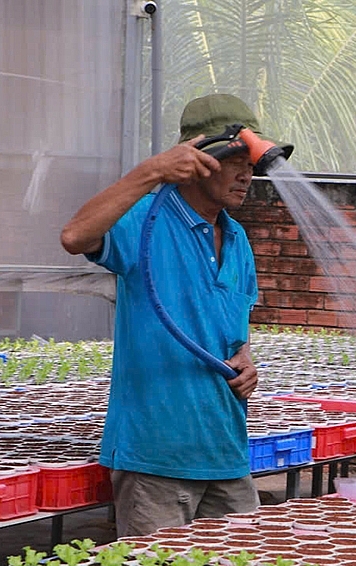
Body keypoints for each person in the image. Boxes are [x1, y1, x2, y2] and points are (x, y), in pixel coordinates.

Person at [60, 94, 271, 536]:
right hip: (157, 459)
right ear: (199, 159)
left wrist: (247, 363)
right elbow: (75, 235)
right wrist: (152, 171)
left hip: (226, 454)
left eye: (251, 162)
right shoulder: (143, 221)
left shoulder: (236, 239)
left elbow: (235, 331)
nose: (247, 173)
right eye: (235, 159)